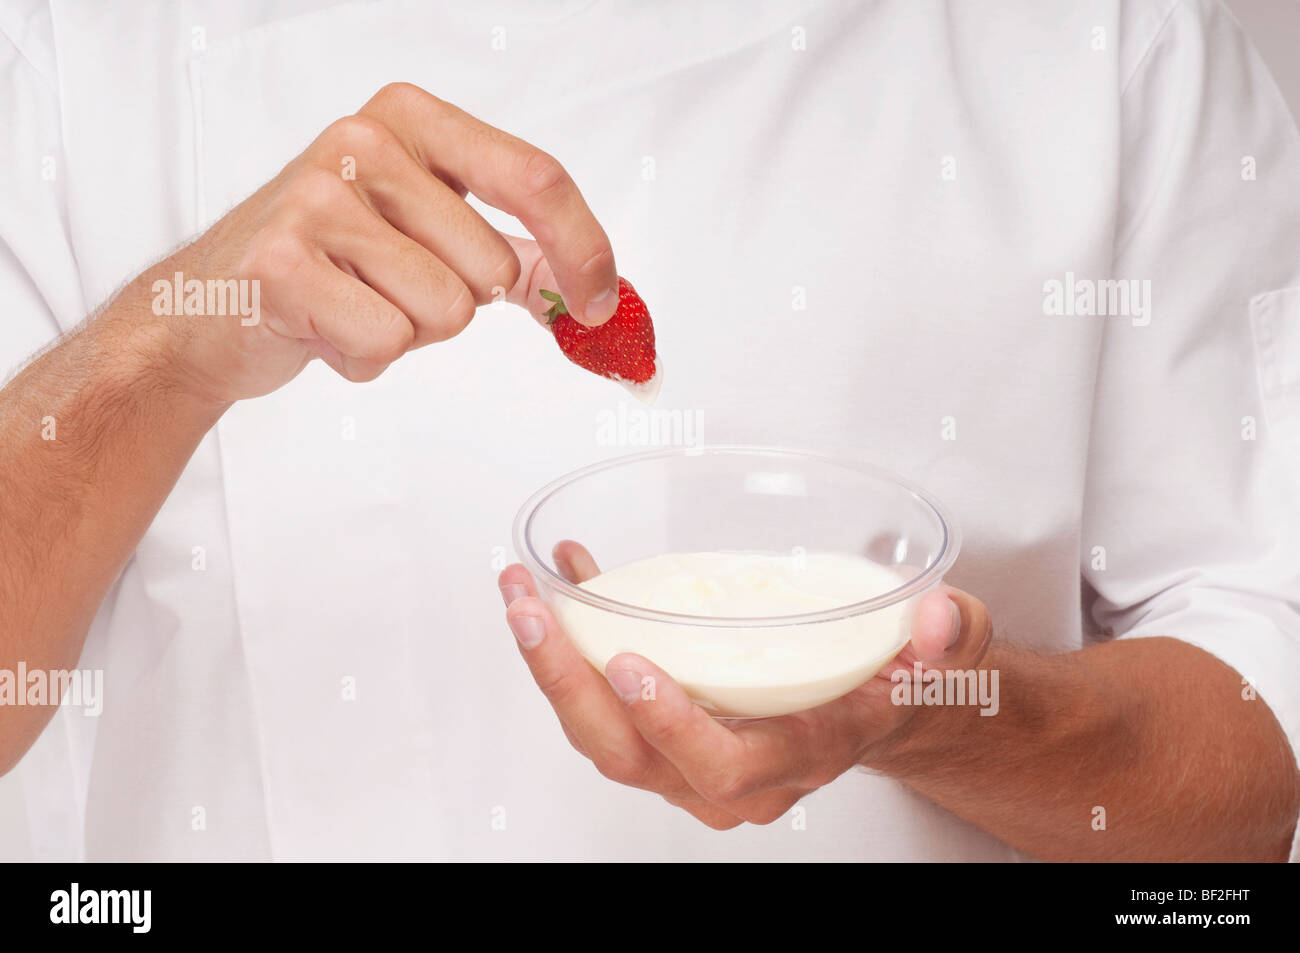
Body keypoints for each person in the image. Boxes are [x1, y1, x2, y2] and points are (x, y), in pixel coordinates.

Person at [1, 0, 1297, 861]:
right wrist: (160, 350)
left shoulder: (1109, 38)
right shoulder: (77, 46)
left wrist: (946, 711)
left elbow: (1265, 734)